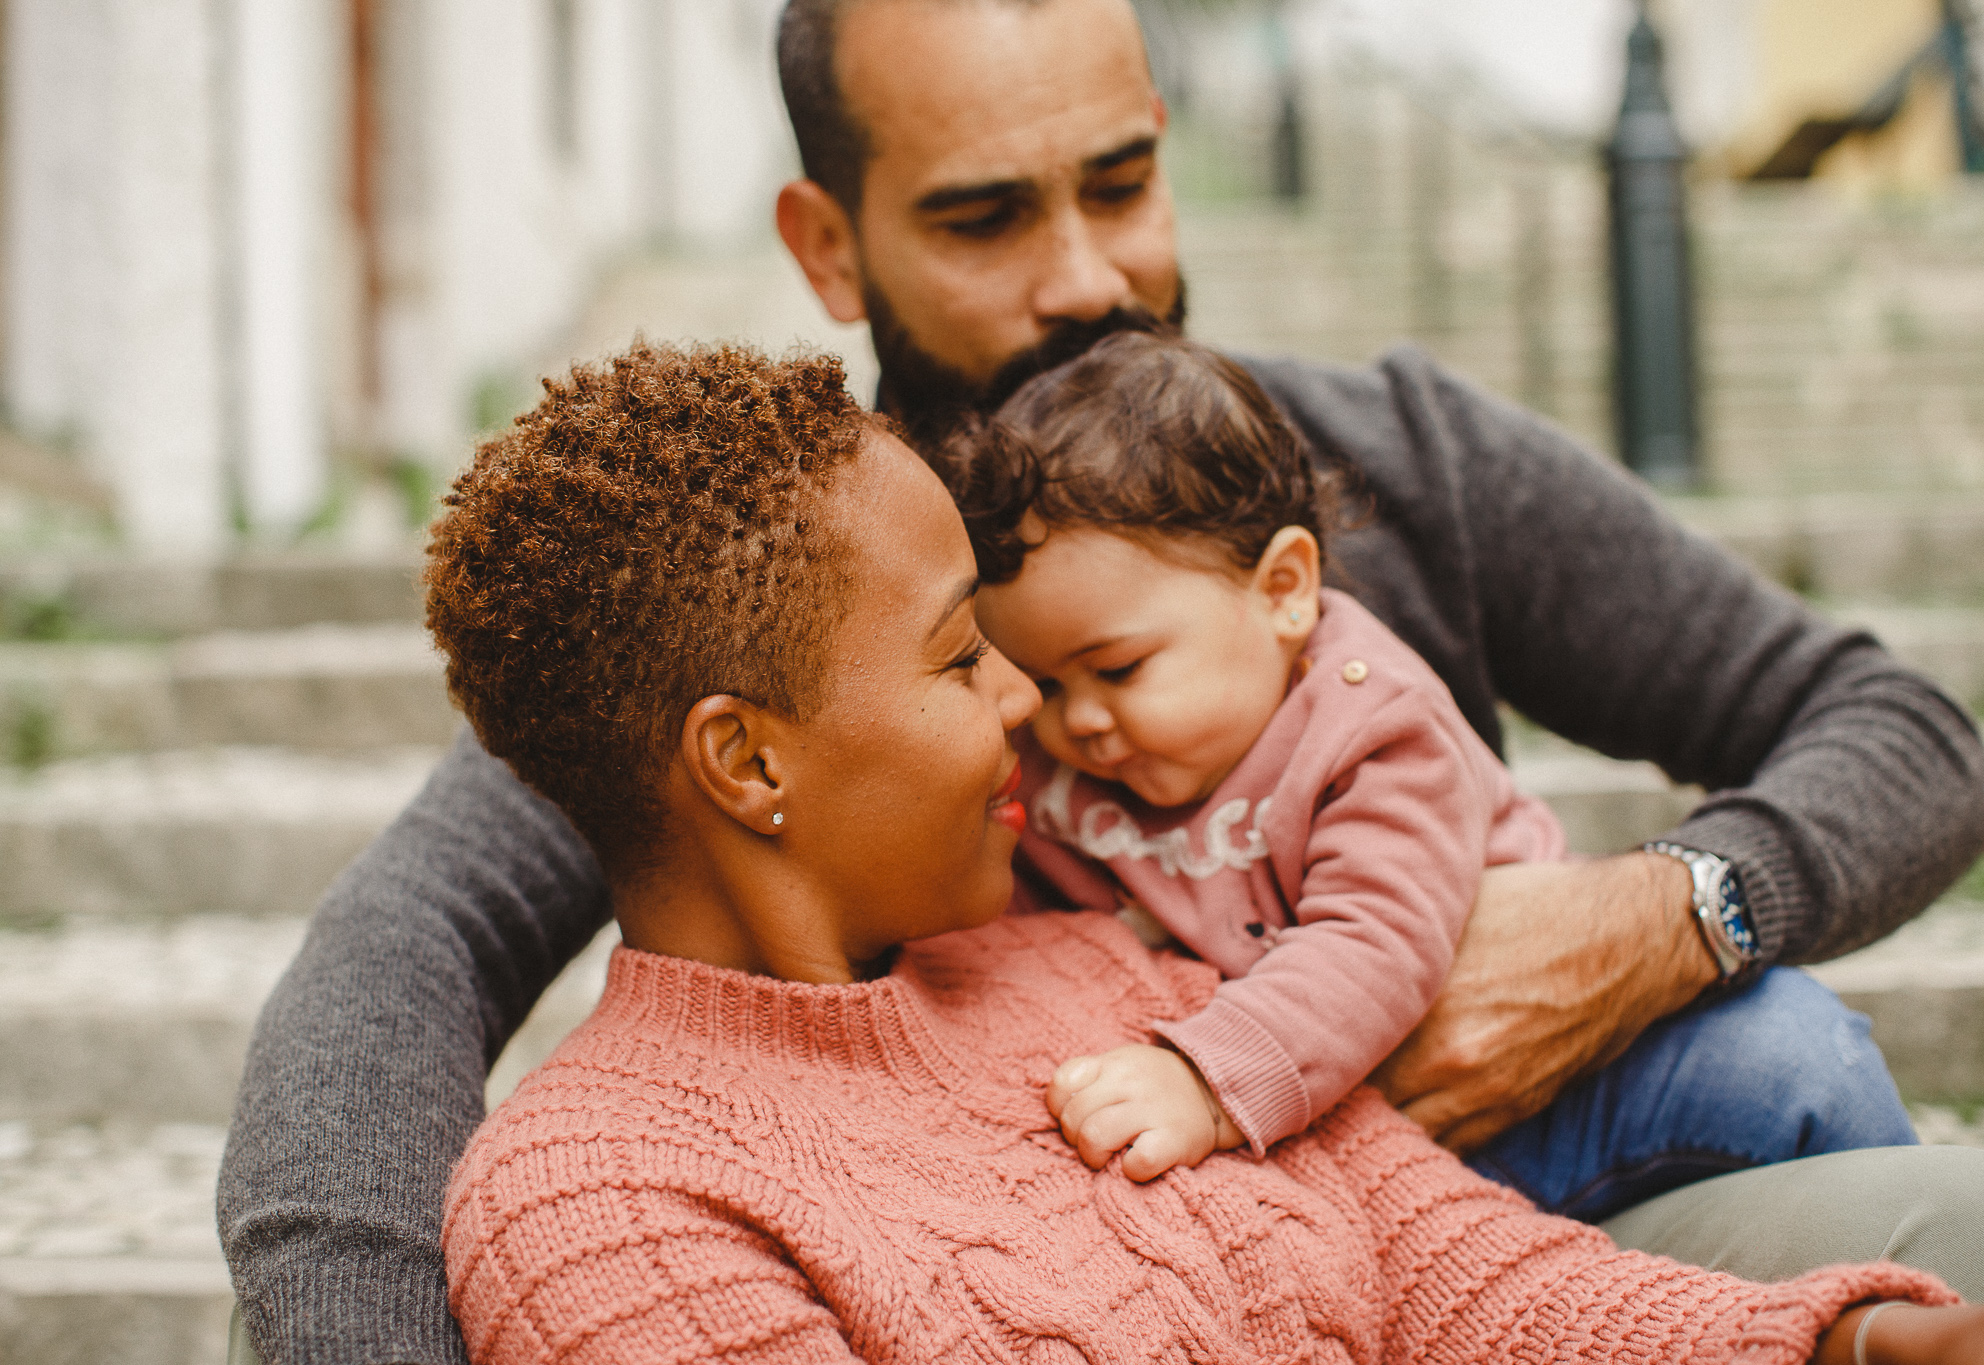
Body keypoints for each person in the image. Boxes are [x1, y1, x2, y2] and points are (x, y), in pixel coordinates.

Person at [217, 0, 1984, 1358]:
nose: (1088, 279)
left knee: (1815, 1101)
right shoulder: (780, 595)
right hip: (1093, 1238)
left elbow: (1906, 733)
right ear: (827, 245)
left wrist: (1660, 917)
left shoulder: (1397, 454)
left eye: (1121, 184)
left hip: (1495, 1213)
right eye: (984, 216)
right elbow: (402, 954)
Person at [430, 340, 1980, 1365]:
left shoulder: (1088, 958)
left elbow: (1460, 1269)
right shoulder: (601, 1197)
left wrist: (1827, 1344)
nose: (1034, 704)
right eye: (966, 657)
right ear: (748, 760)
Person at [936, 329, 1914, 1217]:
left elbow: (1378, 940)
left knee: (1798, 1056)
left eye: (1116, 670)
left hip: (1547, 1086)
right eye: (1045, 685)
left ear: (1282, 591)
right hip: (1335, 1138)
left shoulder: (1371, 725)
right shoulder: (1063, 765)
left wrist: (1205, 1079)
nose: (1078, 724)